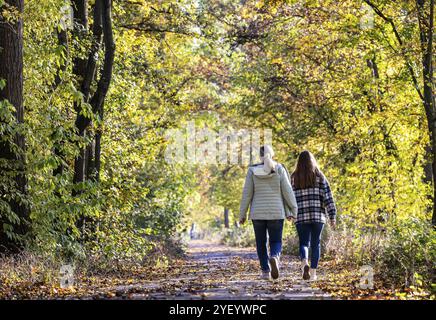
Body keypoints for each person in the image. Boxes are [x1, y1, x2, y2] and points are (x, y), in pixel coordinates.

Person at [239, 145, 298, 280]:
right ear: (272, 154)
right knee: (276, 240)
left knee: (261, 242)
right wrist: (294, 210)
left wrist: (242, 214)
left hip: (257, 213)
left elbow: (246, 194)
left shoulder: (252, 170)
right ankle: (274, 257)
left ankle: (265, 271)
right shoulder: (279, 169)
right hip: (276, 212)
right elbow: (288, 192)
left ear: (259, 156)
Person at [291, 150, 337, 281]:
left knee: (304, 243)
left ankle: (304, 262)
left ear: (299, 162)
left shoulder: (294, 177)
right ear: (312, 161)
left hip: (301, 216)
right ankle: (313, 273)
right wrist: (332, 216)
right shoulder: (320, 176)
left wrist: (290, 214)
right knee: (315, 244)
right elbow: (328, 197)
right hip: (318, 217)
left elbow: (289, 198)